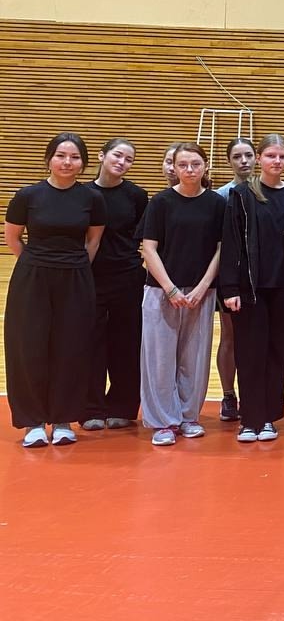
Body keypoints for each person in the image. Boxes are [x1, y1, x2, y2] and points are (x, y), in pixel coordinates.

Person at [5, 133, 106, 448]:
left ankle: (63, 420)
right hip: (33, 278)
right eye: (61, 155)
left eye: (74, 157)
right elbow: (13, 238)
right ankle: (33, 422)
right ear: (49, 159)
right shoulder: (28, 195)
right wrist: (36, 264)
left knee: (71, 348)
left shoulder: (91, 198)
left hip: (75, 278)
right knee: (29, 347)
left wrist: (74, 266)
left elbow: (93, 241)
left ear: (83, 163)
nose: (67, 162)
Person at [138, 143, 224, 447]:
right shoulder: (160, 202)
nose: (189, 170)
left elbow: (221, 249)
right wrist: (170, 288)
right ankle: (162, 421)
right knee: (159, 358)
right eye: (183, 164)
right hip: (161, 291)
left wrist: (202, 287)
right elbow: (149, 248)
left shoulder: (216, 203)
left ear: (205, 166)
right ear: (173, 168)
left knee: (194, 358)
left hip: (201, 292)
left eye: (195, 164)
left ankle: (189, 417)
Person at [220, 134, 284, 443]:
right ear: (259, 158)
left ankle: (268, 418)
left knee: (277, 353)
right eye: (270, 155)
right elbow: (231, 243)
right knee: (249, 353)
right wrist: (230, 287)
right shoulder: (242, 195)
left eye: (282, 156)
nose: (276, 161)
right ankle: (249, 419)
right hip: (250, 289)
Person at [82, 138, 148, 431]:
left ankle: (122, 406)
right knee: (90, 343)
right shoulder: (82, 193)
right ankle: (90, 408)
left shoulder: (136, 195)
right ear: (102, 155)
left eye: (129, 159)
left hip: (127, 277)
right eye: (118, 155)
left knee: (127, 343)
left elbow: (145, 236)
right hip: (90, 277)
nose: (122, 162)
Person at [213, 137, 255, 423]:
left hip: (261, 279)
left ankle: (254, 394)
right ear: (229, 161)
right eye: (237, 156)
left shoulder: (266, 191)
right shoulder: (221, 197)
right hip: (230, 279)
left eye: (248, 155)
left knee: (256, 339)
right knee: (230, 336)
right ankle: (229, 396)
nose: (244, 161)